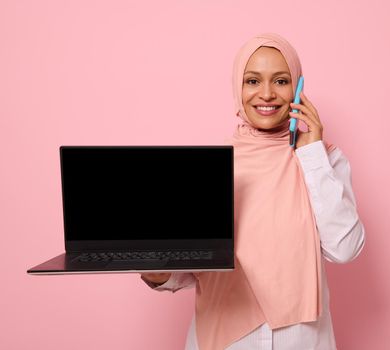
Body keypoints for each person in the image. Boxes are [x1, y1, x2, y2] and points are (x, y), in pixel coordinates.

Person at [141, 33, 365, 350]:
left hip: (299, 340)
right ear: (238, 87)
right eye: (252, 81)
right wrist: (157, 274)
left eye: (282, 81)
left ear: (299, 88)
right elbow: (191, 272)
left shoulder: (323, 160)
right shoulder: (211, 168)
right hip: (225, 341)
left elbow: (344, 248)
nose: (267, 94)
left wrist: (311, 155)